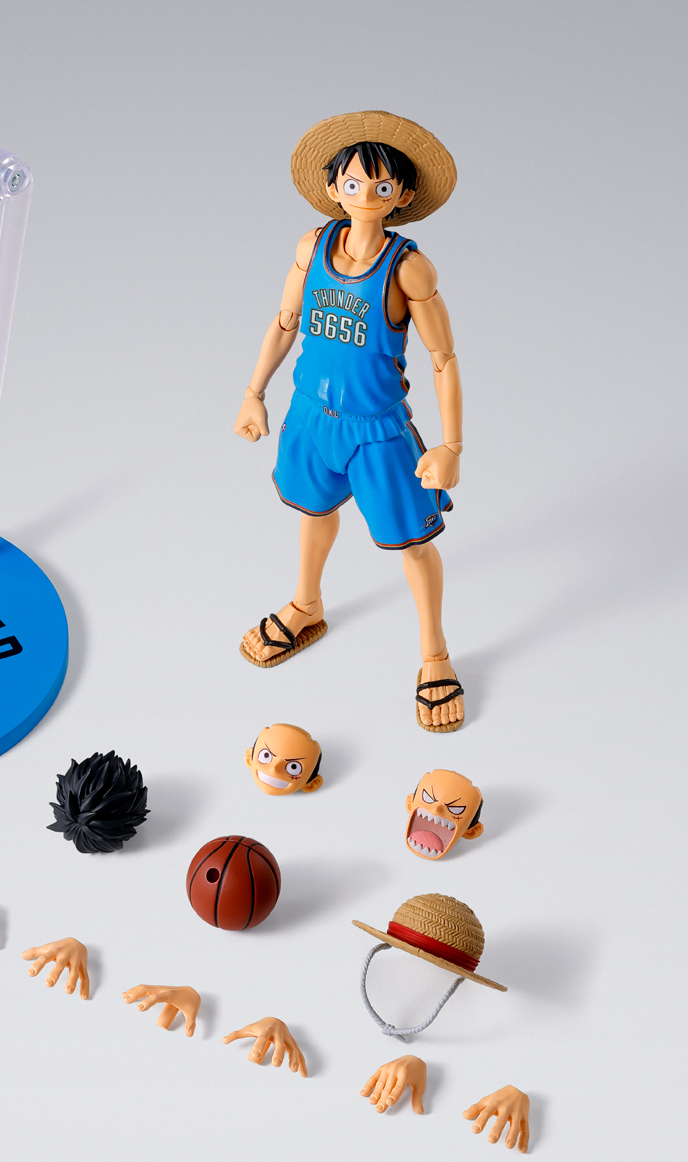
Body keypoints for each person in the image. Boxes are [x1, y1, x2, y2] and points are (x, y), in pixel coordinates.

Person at [234, 111, 466, 732]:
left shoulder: (408, 269)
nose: (367, 195)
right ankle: (306, 604)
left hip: (377, 431)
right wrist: (254, 392)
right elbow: (285, 321)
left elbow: (444, 359)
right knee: (313, 512)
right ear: (333, 187)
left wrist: (451, 445)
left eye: (382, 185)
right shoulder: (311, 248)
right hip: (310, 416)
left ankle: (435, 655)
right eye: (356, 183)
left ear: (403, 196)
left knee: (412, 543)